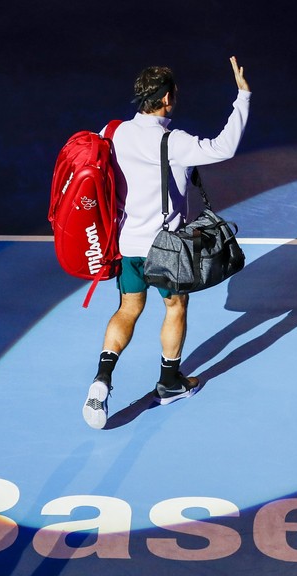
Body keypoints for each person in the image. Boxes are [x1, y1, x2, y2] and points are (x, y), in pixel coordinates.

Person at [82, 57, 251, 429]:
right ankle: (169, 382)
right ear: (168, 100)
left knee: (128, 309)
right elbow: (224, 148)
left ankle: (102, 379)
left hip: (128, 245)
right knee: (175, 307)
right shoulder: (175, 142)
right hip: (167, 250)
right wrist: (243, 97)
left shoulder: (112, 132)